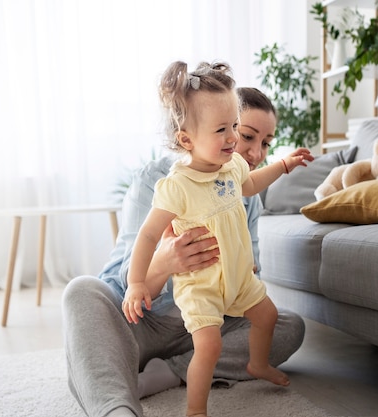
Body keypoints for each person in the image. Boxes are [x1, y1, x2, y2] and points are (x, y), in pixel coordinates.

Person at [61, 77, 308, 417]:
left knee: (286, 324)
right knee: (82, 292)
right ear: (191, 136)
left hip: (209, 320)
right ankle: (116, 407)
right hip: (143, 321)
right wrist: (164, 263)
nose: (253, 151)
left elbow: (247, 280)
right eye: (245, 135)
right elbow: (124, 278)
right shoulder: (162, 183)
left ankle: (172, 371)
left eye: (265, 143)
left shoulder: (239, 182)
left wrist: (244, 268)